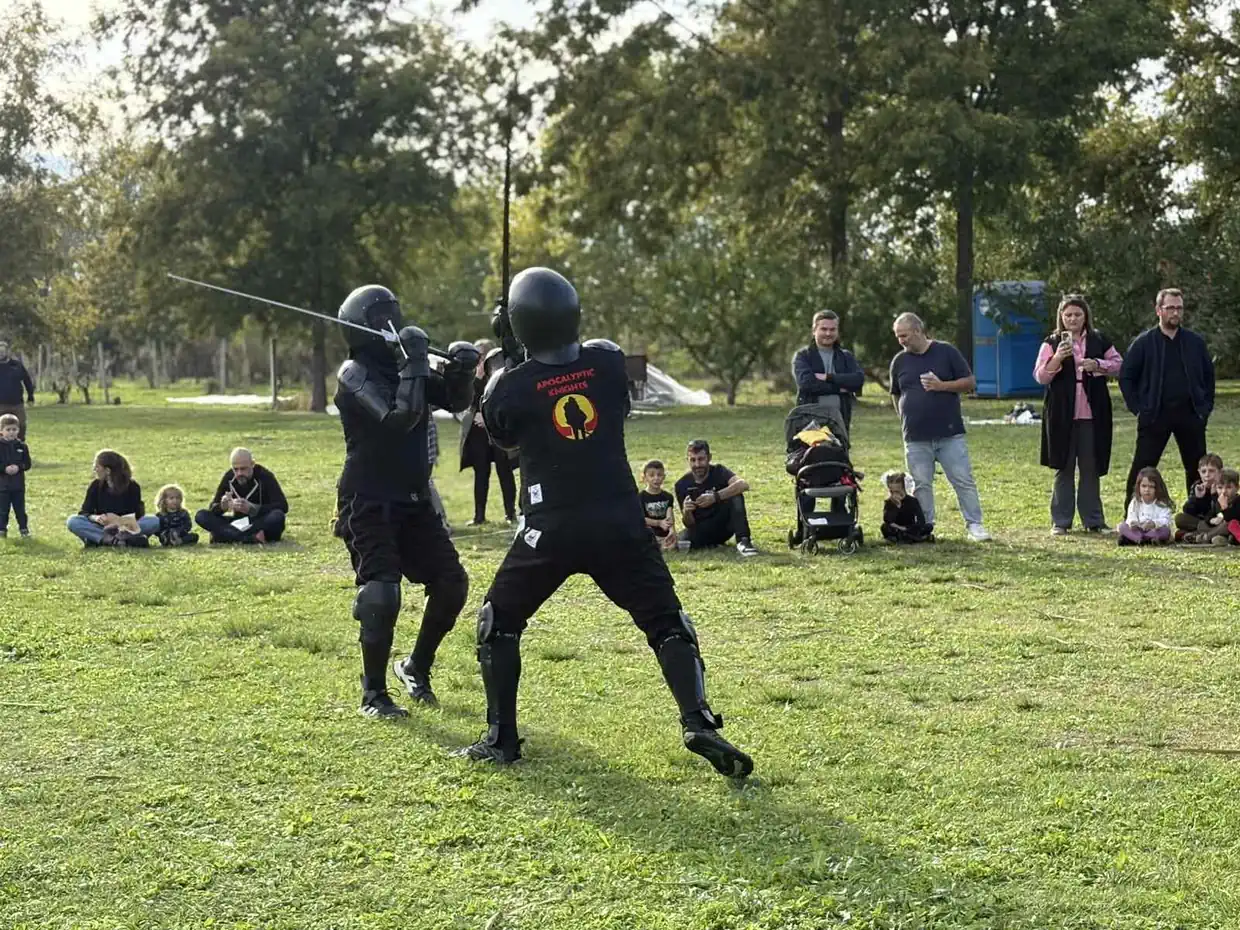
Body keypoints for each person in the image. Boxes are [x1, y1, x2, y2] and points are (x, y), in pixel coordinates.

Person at [454, 267, 753, 779]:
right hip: (620, 521)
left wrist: (509, 360)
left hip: (551, 529)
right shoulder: (610, 364)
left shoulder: (511, 385)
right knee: (667, 622)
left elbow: (503, 439)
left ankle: (500, 739)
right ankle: (699, 719)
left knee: (497, 623)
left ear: (521, 325)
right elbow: (597, 398)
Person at [333, 284, 478, 719]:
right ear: (365, 327)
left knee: (452, 584)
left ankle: (416, 666)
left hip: (414, 499)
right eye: (384, 320)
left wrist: (461, 371)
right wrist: (416, 360)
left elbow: (454, 402)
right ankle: (373, 693)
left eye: (395, 316)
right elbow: (400, 419)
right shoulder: (353, 373)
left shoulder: (403, 367)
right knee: (381, 593)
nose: (393, 326)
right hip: (368, 499)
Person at [888, 312, 992, 542]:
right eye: (898, 337)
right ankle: (925, 526)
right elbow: (896, 394)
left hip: (949, 433)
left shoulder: (946, 352)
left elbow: (970, 383)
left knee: (962, 479)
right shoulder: (900, 361)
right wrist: (904, 418)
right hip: (915, 436)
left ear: (918, 330)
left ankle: (975, 525)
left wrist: (941, 386)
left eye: (904, 335)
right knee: (921, 484)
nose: (901, 341)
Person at [1033, 294, 1124, 535]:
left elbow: (1119, 364)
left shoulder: (1099, 339)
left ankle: (1093, 520)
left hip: (1092, 413)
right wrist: (1057, 358)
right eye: (1068, 314)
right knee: (1063, 466)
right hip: (1061, 413)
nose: (1073, 319)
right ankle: (1061, 522)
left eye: (1078, 314)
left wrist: (1098, 364)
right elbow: (1041, 376)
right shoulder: (1051, 342)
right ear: (1061, 317)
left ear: (1086, 317)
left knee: (1090, 467)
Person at [1119, 288, 1215, 504]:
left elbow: (1209, 377)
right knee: (1143, 466)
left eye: (1179, 308)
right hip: (1155, 415)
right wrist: (1138, 408)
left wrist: (1205, 408)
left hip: (1190, 414)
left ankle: (1199, 515)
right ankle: (1131, 515)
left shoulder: (1194, 342)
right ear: (1158, 310)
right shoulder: (1144, 343)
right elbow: (1126, 377)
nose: (1175, 312)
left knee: (1197, 469)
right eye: (1170, 308)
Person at [459, 339, 517, 526]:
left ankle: (510, 514)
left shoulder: (501, 374)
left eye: (482, 355)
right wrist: (476, 377)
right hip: (478, 433)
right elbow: (467, 401)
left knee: (504, 471)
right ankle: (479, 515)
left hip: (496, 428)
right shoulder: (474, 377)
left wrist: (487, 417)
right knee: (481, 472)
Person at [674, 440, 760, 556]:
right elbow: (689, 524)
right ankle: (710, 544)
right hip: (701, 529)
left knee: (736, 495)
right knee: (679, 543)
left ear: (709, 458)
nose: (697, 464)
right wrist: (687, 512)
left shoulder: (719, 471)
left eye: (701, 459)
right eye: (693, 460)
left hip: (724, 524)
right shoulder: (682, 484)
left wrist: (715, 497)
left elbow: (743, 485)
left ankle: (743, 541)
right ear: (687, 460)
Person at [66, 450, 160, 547]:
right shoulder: (95, 485)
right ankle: (111, 540)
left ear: (107, 471)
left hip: (124, 527)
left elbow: (137, 514)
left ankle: (101, 540)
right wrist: (96, 517)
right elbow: (84, 512)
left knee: (154, 520)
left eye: (97, 467)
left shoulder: (132, 486)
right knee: (73, 521)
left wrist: (117, 521)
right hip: (102, 527)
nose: (95, 470)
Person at [791, 310, 865, 433]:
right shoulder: (803, 356)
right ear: (814, 330)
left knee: (839, 452)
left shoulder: (846, 356)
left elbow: (858, 380)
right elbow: (807, 384)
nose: (828, 333)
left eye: (832, 329)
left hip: (840, 420)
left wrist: (828, 377)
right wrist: (840, 388)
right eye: (824, 329)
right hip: (810, 421)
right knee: (812, 452)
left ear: (837, 331)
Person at [195, 448, 288, 544]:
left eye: (243, 469)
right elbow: (212, 508)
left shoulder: (264, 476)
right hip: (237, 523)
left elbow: (283, 506)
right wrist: (222, 507)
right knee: (201, 515)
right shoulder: (229, 477)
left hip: (258, 522)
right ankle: (249, 538)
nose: (239, 473)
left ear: (252, 464)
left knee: (277, 516)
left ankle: (224, 535)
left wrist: (252, 508)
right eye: (235, 469)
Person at [1117, 466, 1174, 546]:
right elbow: (1131, 516)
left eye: (1151, 487)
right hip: (1138, 530)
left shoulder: (1162, 503)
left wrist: (1154, 523)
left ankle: (1141, 539)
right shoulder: (1135, 502)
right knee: (1122, 526)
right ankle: (1139, 539)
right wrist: (1133, 523)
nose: (1147, 490)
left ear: (1157, 488)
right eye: (1144, 486)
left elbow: (1166, 520)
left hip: (1154, 530)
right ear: (1138, 486)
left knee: (1165, 531)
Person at [1183, 467, 1240, 546]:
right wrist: (1211, 520)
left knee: (1227, 524)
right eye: (1220, 488)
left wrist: (1224, 508)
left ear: (1237, 488)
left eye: (1228, 487)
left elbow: (1231, 518)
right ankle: (1219, 538)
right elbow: (1209, 514)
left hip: (1232, 529)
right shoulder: (1218, 501)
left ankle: (1203, 538)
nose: (1224, 491)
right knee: (1204, 526)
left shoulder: (1237, 501)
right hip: (1217, 529)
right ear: (1216, 488)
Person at [1175, 453, 1223, 541]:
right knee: (1179, 518)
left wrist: (1214, 496)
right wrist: (1197, 498)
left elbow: (1221, 512)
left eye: (1211, 471)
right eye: (1203, 471)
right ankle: (1210, 533)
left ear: (1220, 472)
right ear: (1199, 472)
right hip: (1202, 521)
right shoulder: (1197, 486)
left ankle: (1200, 535)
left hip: (1218, 521)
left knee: (1227, 523)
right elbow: (1188, 511)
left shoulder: (1223, 487)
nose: (1207, 475)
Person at [0, 412, 31, 538]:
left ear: (18, 430)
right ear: (1, 430)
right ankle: (2, 530)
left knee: (20, 510)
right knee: (2, 511)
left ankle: (24, 530)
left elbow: (27, 464)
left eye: (14, 429)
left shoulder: (22, 446)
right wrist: (4, 469)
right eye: (8, 429)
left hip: (18, 486)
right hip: (2, 486)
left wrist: (19, 467)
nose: (11, 432)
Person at [880, 470, 932, 543]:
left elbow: (921, 520)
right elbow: (888, 520)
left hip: (909, 527)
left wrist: (907, 528)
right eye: (892, 491)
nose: (895, 494)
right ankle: (911, 538)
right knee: (885, 527)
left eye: (898, 491)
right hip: (896, 528)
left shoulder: (912, 501)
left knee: (928, 526)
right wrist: (897, 506)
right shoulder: (889, 502)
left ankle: (906, 537)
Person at [0, 339, 35, 441]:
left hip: (17, 403)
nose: (1, 353)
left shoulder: (17, 365)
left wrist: (30, 395)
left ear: (7, 352)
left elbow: (27, 380)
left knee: (21, 425)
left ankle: (20, 446)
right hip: (0, 403)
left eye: (2, 351)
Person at [639, 459, 678, 551]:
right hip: (649, 533)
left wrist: (672, 531)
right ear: (644, 478)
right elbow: (640, 519)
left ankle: (664, 544)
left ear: (664, 477)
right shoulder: (641, 497)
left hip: (664, 534)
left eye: (659, 475)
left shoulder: (667, 496)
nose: (656, 478)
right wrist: (659, 523)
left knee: (672, 545)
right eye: (652, 475)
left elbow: (670, 516)